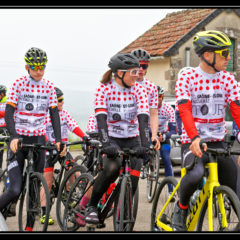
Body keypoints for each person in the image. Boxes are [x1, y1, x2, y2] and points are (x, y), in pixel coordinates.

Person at [172, 30, 240, 231]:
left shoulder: (228, 79)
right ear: (208, 55)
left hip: (217, 142)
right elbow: (184, 109)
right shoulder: (188, 75)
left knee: (236, 184)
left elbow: (237, 110)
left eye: (230, 53)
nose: (229, 58)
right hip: (192, 141)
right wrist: (193, 137)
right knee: (195, 174)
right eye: (224, 53)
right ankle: (181, 207)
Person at [1, 47, 65, 231]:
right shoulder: (19, 84)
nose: (38, 70)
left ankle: (29, 228)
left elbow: (54, 115)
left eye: (42, 67)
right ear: (27, 67)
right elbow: (9, 112)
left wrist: (59, 139)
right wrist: (13, 136)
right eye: (34, 67)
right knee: (15, 189)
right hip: (19, 139)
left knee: (35, 189)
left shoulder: (49, 87)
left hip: (38, 139)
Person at [84, 52, 150, 225]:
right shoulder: (104, 89)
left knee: (133, 181)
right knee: (112, 169)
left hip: (133, 137)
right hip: (112, 137)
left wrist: (146, 144)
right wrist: (106, 143)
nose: (137, 76)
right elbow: (101, 119)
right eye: (133, 72)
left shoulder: (139, 89)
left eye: (138, 72)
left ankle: (124, 221)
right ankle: (91, 206)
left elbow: (143, 118)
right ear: (119, 73)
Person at [40, 87, 86, 225]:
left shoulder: (64, 113)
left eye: (62, 100)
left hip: (63, 150)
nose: (61, 103)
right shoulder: (44, 115)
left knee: (75, 171)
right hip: (49, 151)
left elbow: (73, 126)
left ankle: (70, 195)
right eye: (59, 100)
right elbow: (41, 130)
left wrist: (85, 137)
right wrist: (46, 141)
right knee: (47, 182)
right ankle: (44, 212)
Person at [131, 48, 160, 150]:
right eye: (138, 66)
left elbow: (153, 113)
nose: (141, 69)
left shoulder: (151, 87)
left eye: (144, 66)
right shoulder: (125, 83)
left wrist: (154, 135)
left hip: (143, 129)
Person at [156, 86, 176, 194]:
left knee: (167, 159)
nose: (157, 99)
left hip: (163, 139)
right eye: (155, 97)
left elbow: (173, 130)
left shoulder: (168, 109)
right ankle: (148, 167)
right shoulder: (148, 108)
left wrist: (164, 136)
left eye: (159, 96)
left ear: (162, 97)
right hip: (151, 137)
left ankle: (170, 191)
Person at [0, 85, 8, 168]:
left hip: (5, 127)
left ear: (2, 94)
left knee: (9, 151)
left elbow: (7, 113)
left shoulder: (7, 101)